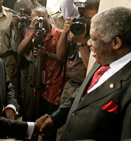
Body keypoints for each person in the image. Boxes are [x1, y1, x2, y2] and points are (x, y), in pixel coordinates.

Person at [36, 7, 131, 141]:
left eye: (94, 38)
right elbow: (84, 92)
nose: (88, 42)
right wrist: (56, 118)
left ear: (116, 43)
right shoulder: (107, 55)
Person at [18, 6, 66, 140]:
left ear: (49, 17)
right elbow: (20, 50)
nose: (39, 21)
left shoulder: (59, 34)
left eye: (41, 17)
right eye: (35, 18)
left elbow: (62, 58)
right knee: (33, 116)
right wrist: (33, 32)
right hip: (37, 83)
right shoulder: (33, 33)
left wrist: (47, 55)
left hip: (54, 86)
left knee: (49, 123)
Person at [55, 0, 99, 140]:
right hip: (70, 87)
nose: (89, 23)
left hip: (86, 89)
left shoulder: (100, 40)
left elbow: (91, 70)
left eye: (93, 19)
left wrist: (82, 43)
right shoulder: (77, 30)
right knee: (61, 126)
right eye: (87, 18)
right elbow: (60, 55)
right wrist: (66, 31)